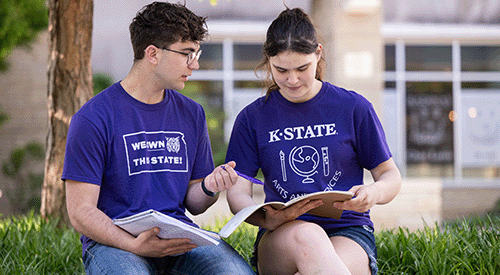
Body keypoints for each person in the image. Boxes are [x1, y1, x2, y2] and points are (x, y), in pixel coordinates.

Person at [62, 2, 255, 274]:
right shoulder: (94, 118)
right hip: (116, 244)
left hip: (179, 239)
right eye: (187, 54)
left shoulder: (191, 113)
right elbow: (81, 213)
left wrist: (210, 186)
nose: (196, 64)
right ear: (152, 53)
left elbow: (194, 203)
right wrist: (136, 245)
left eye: (196, 53)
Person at [226, 8, 401, 275]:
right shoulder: (253, 118)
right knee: (308, 236)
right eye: (281, 70)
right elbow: (237, 192)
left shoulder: (352, 107)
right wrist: (264, 217)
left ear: (318, 54)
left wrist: (373, 194)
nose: (292, 79)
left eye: (302, 68)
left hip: (348, 230)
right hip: (282, 234)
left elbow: (389, 175)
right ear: (268, 61)